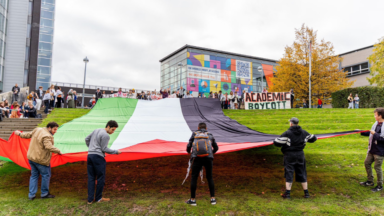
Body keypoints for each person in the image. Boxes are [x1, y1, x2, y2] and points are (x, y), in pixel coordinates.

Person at [14, 122, 62, 200]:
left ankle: (31, 195)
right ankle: (44, 194)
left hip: (31, 158)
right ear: (49, 127)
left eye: (56, 129)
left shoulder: (37, 129)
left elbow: (27, 135)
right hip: (41, 160)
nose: (55, 131)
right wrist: (58, 151)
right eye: (54, 129)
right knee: (46, 175)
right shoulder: (47, 136)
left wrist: (19, 134)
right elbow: (48, 146)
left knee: (34, 176)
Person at [273, 117, 317, 199]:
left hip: (289, 155)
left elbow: (277, 143)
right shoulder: (304, 132)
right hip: (300, 154)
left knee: (289, 173)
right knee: (302, 172)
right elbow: (313, 138)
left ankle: (288, 194)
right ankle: (306, 194)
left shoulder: (287, 133)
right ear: (298, 123)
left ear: (291, 123)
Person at [85, 120, 122, 204]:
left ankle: (90, 200)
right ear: (108, 126)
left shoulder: (96, 130)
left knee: (91, 178)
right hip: (98, 157)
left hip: (90, 156)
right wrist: (116, 152)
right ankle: (98, 198)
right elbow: (104, 149)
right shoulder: (106, 135)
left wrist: (91, 148)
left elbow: (86, 138)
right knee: (100, 178)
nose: (113, 132)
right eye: (112, 129)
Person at [185, 122, 219, 206]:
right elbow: (216, 147)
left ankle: (193, 200)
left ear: (198, 127)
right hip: (208, 158)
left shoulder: (194, 134)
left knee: (194, 178)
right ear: (206, 128)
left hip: (197, 158)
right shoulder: (210, 134)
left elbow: (189, 146)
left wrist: (189, 152)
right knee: (209, 177)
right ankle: (213, 199)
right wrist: (211, 153)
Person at [360, 108, 384, 192]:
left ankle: (380, 185)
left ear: (380, 116)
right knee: (367, 163)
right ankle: (370, 181)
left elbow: (382, 139)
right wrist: (361, 132)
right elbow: (371, 133)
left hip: (379, 151)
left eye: (375, 115)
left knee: (377, 167)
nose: (374, 116)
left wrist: (375, 134)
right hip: (372, 149)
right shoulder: (376, 124)